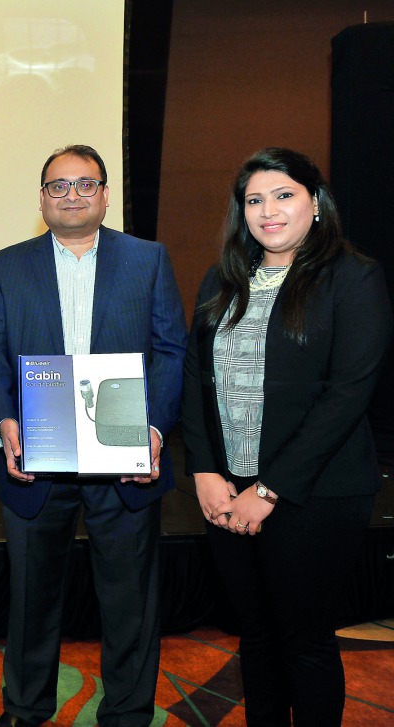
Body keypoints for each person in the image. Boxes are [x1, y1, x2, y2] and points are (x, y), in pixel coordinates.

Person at [0, 144, 186, 727]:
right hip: (36, 453)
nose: (72, 195)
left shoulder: (148, 259)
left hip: (124, 456)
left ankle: (129, 713)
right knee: (32, 600)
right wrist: (3, 421)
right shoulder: (5, 265)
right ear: (41, 199)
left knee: (130, 601)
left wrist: (156, 428)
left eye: (85, 184)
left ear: (105, 194)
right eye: (59, 186)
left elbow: (170, 350)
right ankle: (25, 708)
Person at [181, 147, 392, 725]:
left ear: (316, 203)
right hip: (227, 490)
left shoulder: (353, 276)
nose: (268, 211)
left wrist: (269, 490)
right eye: (254, 200)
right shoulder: (223, 278)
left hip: (315, 493)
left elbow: (348, 395)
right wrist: (203, 470)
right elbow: (196, 377)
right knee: (256, 633)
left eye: (283, 195)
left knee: (303, 637)